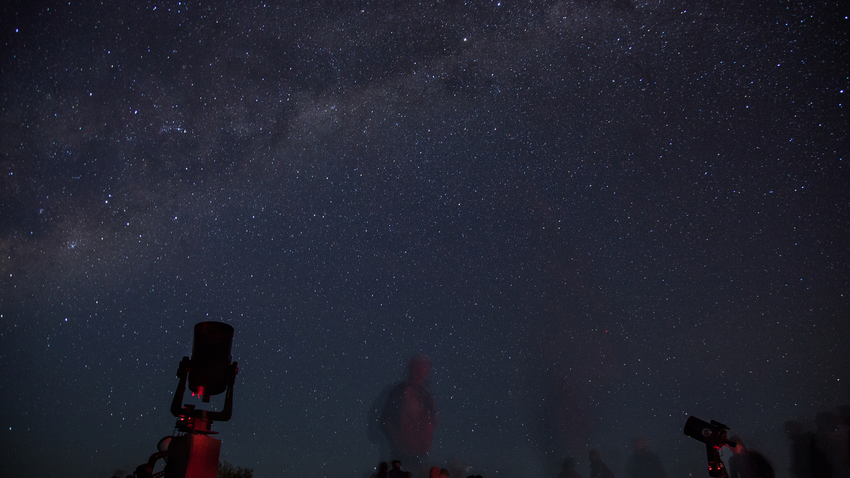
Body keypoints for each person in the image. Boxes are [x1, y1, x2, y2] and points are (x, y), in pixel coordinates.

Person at [381, 355, 437, 472]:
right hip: (400, 455)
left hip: (418, 457)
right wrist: (400, 441)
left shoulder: (426, 398)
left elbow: (431, 422)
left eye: (421, 370)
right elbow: (385, 421)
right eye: (416, 369)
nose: (418, 374)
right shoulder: (398, 392)